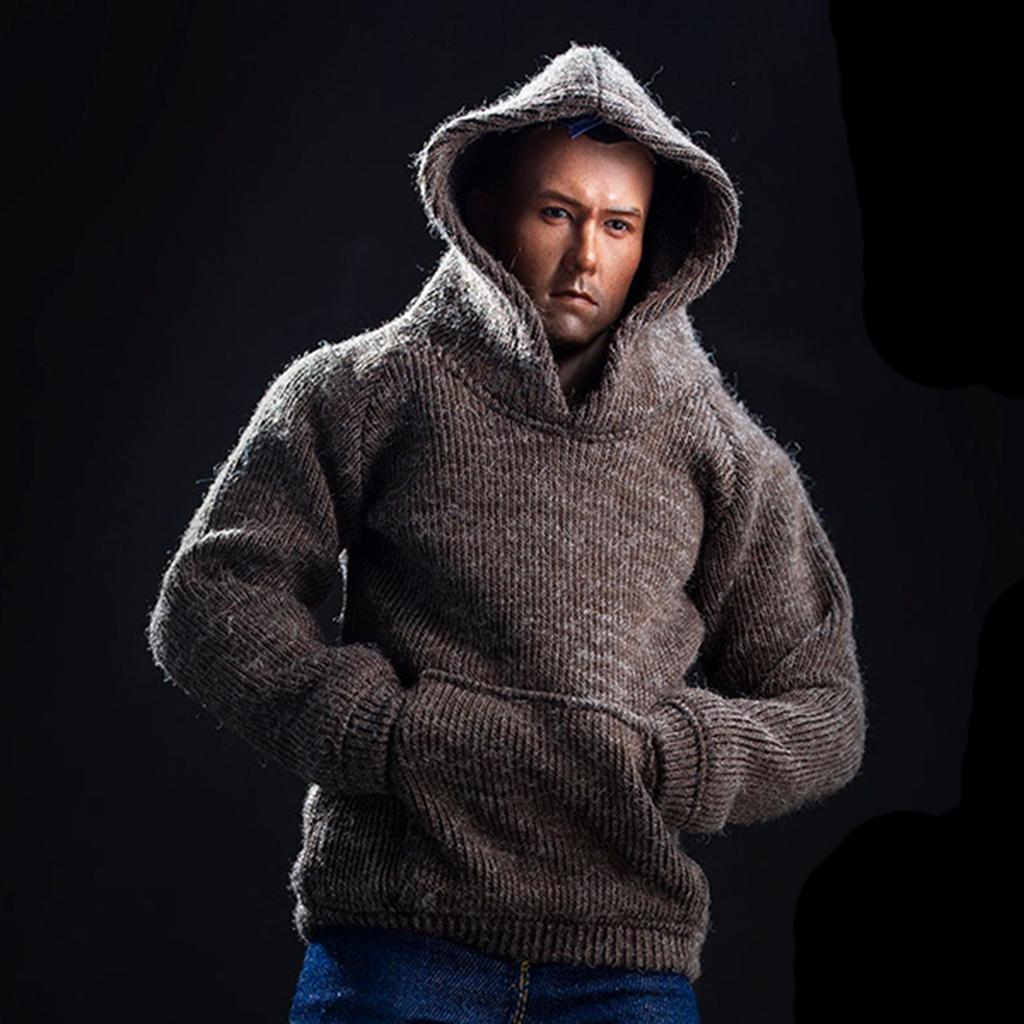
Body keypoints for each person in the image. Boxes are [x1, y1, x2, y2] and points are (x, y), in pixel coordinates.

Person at [146, 42, 866, 1023]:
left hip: (622, 962)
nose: (586, 256)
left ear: (653, 243)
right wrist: (377, 727)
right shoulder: (365, 392)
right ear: (486, 214)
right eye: (556, 213)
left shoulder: (723, 455)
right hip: (396, 942)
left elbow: (824, 706)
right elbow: (208, 602)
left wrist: (675, 760)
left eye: (618, 224)